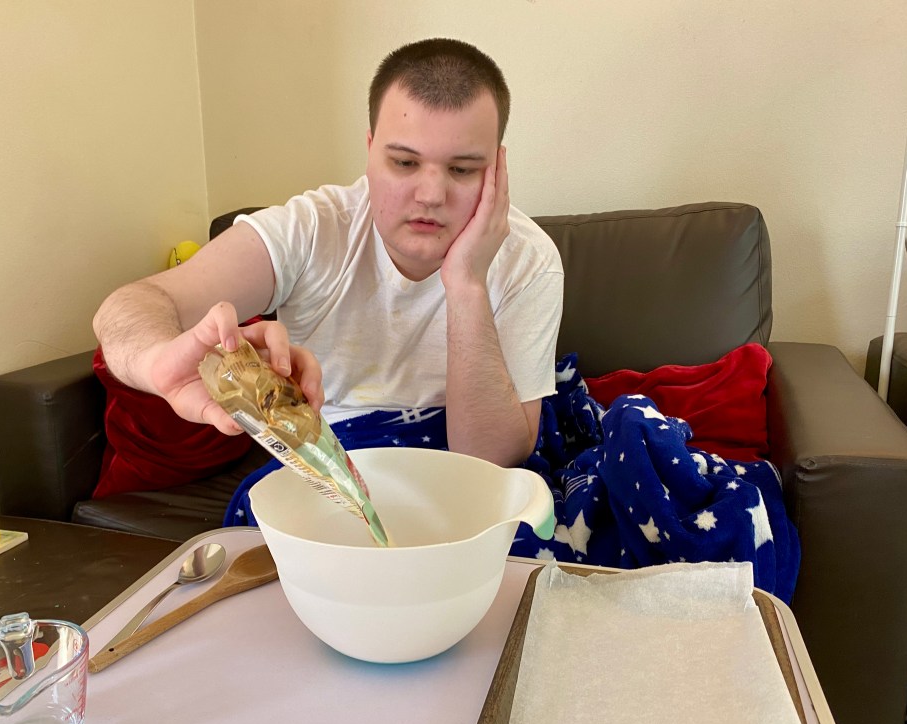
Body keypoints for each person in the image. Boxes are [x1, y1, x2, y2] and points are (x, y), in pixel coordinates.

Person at [93, 38, 564, 482]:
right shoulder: (315, 227)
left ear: (497, 169)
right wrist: (159, 363)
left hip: (458, 479)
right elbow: (132, 305)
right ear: (370, 151)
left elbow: (487, 462)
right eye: (404, 163)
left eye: (462, 169)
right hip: (331, 469)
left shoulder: (530, 259)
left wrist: (466, 285)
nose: (430, 195)